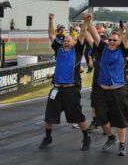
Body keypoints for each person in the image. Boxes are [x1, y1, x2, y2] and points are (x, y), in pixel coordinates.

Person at [39, 13, 91, 151]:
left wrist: (86, 21)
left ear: (74, 42)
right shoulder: (59, 50)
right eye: (65, 40)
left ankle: (86, 137)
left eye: (69, 40)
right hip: (56, 89)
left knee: (78, 116)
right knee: (48, 116)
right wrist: (50, 20)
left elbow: (83, 33)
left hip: (71, 89)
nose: (66, 42)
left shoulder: (77, 50)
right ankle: (48, 137)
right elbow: (51, 34)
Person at [86, 13, 128, 156]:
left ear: (119, 42)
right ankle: (110, 137)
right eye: (110, 39)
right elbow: (95, 35)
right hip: (102, 90)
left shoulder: (122, 49)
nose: (112, 42)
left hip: (119, 90)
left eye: (115, 40)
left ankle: (122, 144)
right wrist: (88, 22)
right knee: (101, 118)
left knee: (120, 121)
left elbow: (127, 36)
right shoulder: (102, 48)